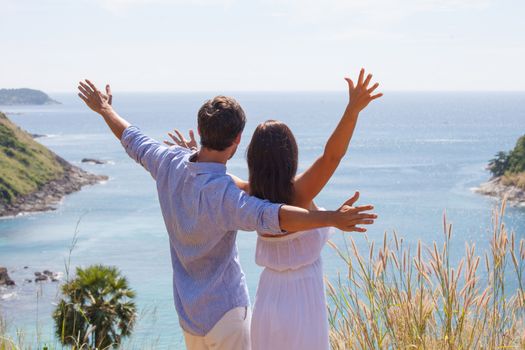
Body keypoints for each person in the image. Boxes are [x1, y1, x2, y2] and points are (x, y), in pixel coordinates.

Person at [77, 80, 377, 350]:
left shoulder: (176, 164)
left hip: (195, 316)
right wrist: (332, 218)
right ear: (237, 140)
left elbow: (132, 138)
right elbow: (282, 210)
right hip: (233, 313)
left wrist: (104, 109)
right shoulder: (234, 196)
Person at [167, 68, 381, 350]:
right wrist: (352, 110)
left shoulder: (248, 194)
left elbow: (206, 176)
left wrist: (194, 154)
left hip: (268, 300)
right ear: (291, 155)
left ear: (253, 157)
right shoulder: (300, 194)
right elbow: (331, 156)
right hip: (303, 304)